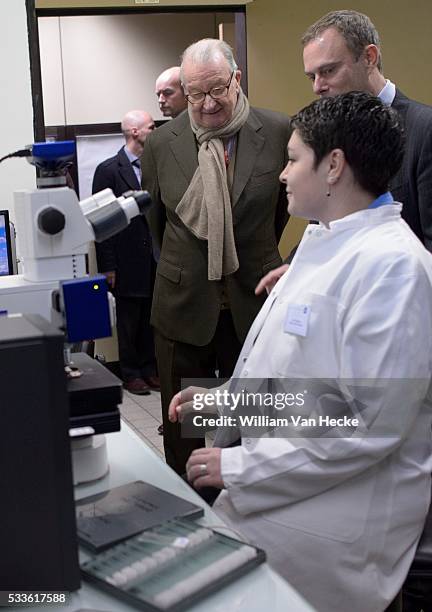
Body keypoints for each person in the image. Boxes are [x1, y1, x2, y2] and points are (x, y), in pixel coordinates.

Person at [169, 92, 432, 612]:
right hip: (289, 483)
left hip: (332, 521)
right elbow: (302, 386)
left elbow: (366, 422)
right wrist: (230, 403)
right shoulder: (324, 244)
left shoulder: (394, 268)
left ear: (333, 165)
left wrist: (240, 467)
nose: (283, 175)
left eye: (292, 159)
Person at [141, 39, 291, 474]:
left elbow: (279, 214)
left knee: (252, 421)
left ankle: (244, 504)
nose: (206, 105)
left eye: (216, 90)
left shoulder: (277, 131)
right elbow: (158, 223)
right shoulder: (162, 142)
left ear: (236, 79)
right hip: (182, 304)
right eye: (194, 94)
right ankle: (192, 511)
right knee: (183, 426)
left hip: (253, 300)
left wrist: (245, 255)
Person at [256, 9, 432, 296]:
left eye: (328, 71)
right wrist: (298, 266)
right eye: (311, 76)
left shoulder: (424, 130)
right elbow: (326, 223)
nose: (317, 87)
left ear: (369, 58)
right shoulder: (329, 130)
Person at [93, 110, 159, 395]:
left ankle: (149, 369)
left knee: (151, 319)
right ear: (135, 131)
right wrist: (108, 267)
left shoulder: (154, 166)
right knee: (129, 321)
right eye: (151, 127)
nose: (155, 130)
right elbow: (101, 223)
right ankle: (131, 373)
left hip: (155, 258)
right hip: (125, 259)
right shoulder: (109, 170)